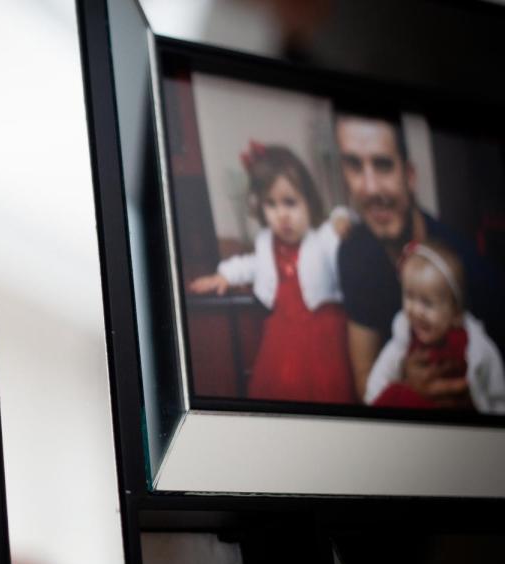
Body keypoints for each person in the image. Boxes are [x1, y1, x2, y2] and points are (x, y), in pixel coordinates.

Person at [334, 111, 503, 405]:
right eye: (354, 165)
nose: (370, 187)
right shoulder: (353, 254)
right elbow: (367, 387)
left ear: (409, 175)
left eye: (383, 165)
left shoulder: (467, 264)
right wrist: (408, 391)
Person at [190, 142, 355, 403]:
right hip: (282, 333)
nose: (282, 215)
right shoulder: (266, 242)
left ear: (309, 201)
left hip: (323, 334)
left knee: (325, 392)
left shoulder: (322, 238)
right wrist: (224, 276)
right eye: (271, 204)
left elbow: (346, 221)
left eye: (290, 202)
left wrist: (342, 219)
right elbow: (251, 265)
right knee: (282, 390)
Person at [365, 241, 505, 412]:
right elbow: (377, 384)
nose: (415, 310)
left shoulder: (477, 347)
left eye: (427, 303)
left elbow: (498, 395)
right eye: (409, 296)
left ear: (455, 313)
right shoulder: (403, 340)